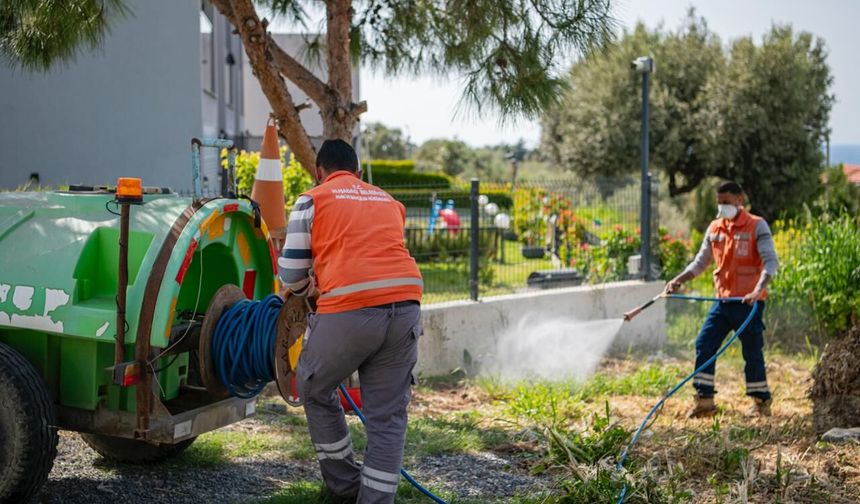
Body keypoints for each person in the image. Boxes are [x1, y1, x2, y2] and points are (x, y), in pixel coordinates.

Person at [278, 139, 423, 503]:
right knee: (388, 418)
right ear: (358, 174)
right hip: (406, 307)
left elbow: (290, 275)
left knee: (313, 387)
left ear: (319, 172)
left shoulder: (314, 198)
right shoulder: (388, 201)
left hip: (350, 310)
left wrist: (311, 284)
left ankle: (344, 486)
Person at [665, 181, 778, 418]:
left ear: (739, 200)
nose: (722, 207)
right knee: (704, 344)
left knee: (752, 352)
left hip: (748, 303)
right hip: (722, 302)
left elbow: (771, 264)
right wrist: (678, 280)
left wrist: (758, 290)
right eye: (719, 202)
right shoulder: (715, 228)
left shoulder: (757, 226)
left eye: (726, 202)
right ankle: (704, 401)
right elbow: (700, 263)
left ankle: (760, 402)